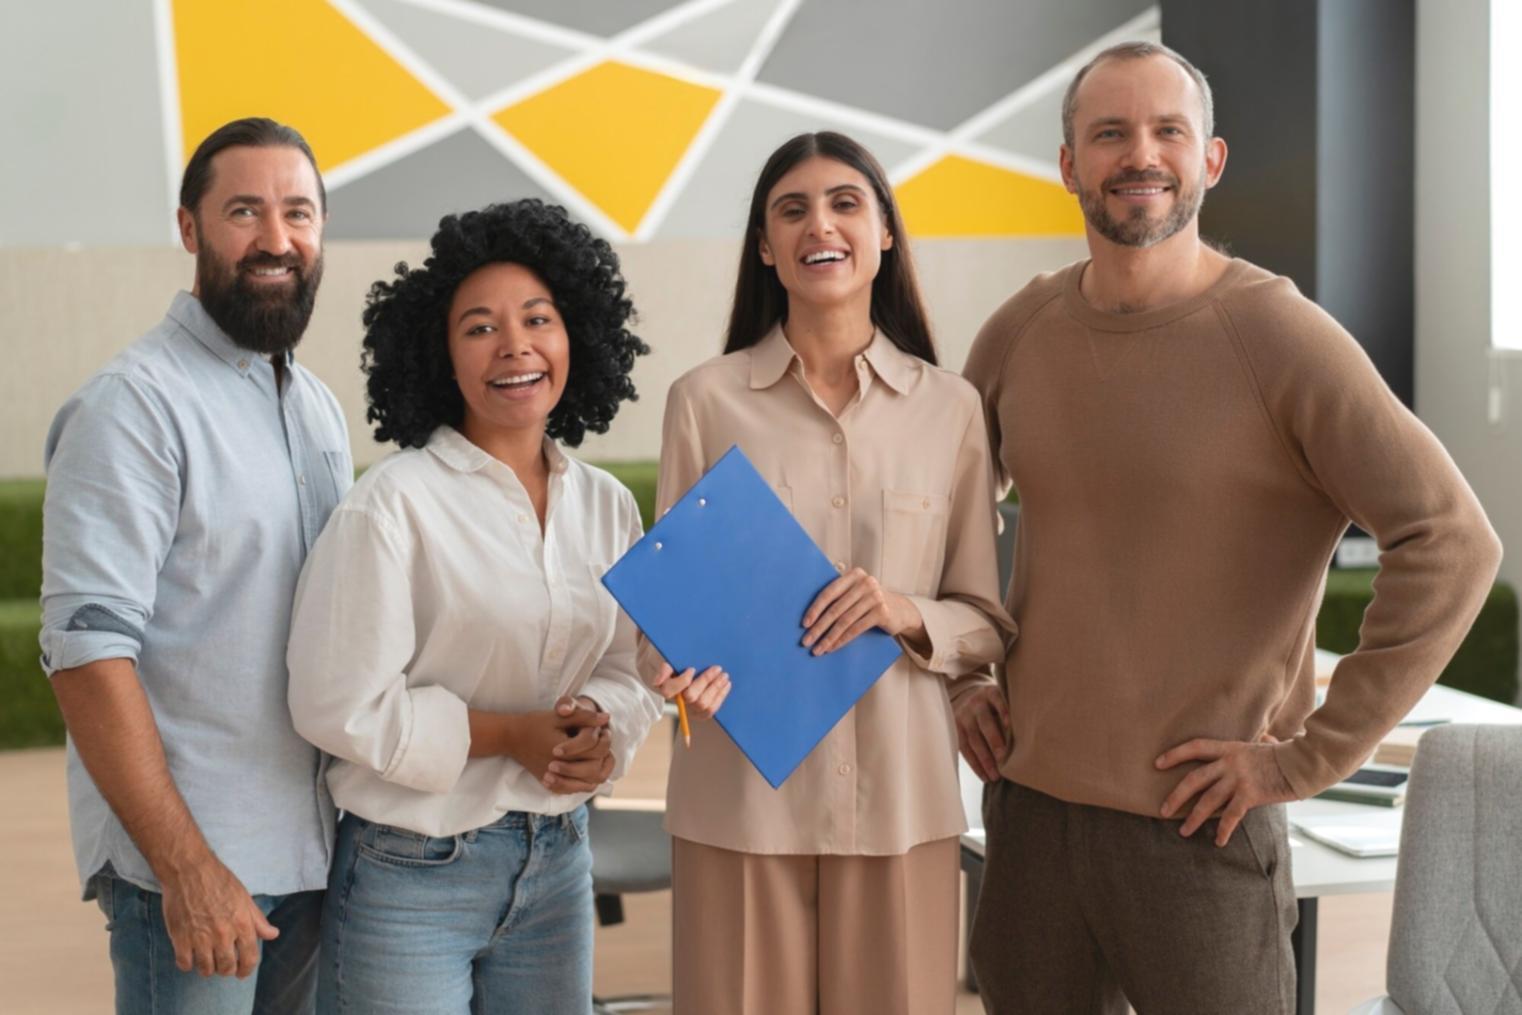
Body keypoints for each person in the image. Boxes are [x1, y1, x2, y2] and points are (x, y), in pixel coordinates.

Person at [961, 42, 1502, 1013]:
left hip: (1197, 830)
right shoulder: (1019, 331)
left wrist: (1310, 754)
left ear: (1209, 159)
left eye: (1167, 131)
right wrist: (957, 676)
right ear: (1068, 164)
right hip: (1029, 820)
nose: (1140, 154)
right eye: (1110, 133)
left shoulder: (1278, 335)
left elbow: (1452, 540)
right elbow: (943, 517)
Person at [643, 132, 1015, 1015]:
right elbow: (665, 611)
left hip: (899, 802)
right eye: (793, 207)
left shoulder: (951, 409)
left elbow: (986, 622)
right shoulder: (703, 401)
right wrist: (670, 670)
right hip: (738, 804)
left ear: (884, 233)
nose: (823, 223)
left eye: (847, 202)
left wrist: (900, 607)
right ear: (766, 246)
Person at [285, 198, 662, 1014]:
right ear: (441, 357)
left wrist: (601, 728)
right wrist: (508, 735)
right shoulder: (390, 507)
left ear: (577, 338)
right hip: (409, 872)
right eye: (480, 327)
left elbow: (630, 666)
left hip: (559, 862)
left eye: (538, 318)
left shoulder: (606, 506)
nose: (516, 345)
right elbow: (336, 703)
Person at [41, 117, 349, 1014]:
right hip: (196, 872)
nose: (276, 239)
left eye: (298, 213)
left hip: (317, 856)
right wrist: (188, 866)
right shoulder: (131, 408)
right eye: (243, 212)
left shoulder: (318, 407)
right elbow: (86, 657)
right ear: (190, 229)